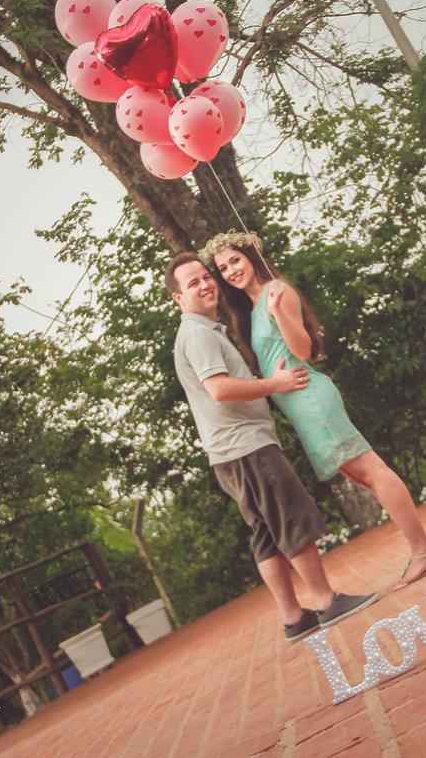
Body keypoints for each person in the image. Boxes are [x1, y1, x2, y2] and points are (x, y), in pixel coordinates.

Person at [201, 232, 426, 590]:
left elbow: (302, 347)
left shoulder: (276, 292)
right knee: (363, 475)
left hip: (311, 397)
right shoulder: (250, 310)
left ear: (251, 256)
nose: (230, 271)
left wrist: (277, 313)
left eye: (234, 260)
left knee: (372, 470)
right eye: (223, 268)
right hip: (299, 405)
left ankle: (424, 550)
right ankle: (422, 548)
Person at [166, 252, 378, 641]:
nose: (205, 284)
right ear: (178, 299)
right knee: (291, 519)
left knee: (265, 535)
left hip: (230, 453)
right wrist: (274, 385)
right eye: (192, 283)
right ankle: (326, 600)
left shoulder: (205, 331)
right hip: (246, 448)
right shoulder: (197, 334)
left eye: (205, 277)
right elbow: (220, 389)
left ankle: (294, 618)